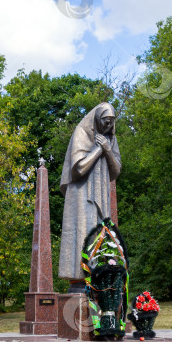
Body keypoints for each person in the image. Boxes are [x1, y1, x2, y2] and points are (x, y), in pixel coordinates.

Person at [59, 103, 121, 290]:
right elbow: (78, 169)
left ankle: (99, 274)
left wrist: (108, 150)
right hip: (81, 194)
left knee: (98, 233)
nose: (109, 126)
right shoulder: (82, 132)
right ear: (96, 119)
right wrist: (98, 149)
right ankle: (79, 279)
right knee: (82, 231)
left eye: (112, 122)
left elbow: (116, 170)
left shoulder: (110, 138)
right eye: (105, 121)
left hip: (101, 194)